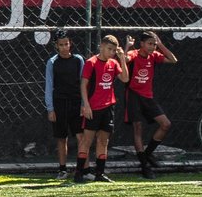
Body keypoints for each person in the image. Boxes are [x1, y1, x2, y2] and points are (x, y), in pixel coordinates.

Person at [124, 30, 178, 179]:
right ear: (141, 44)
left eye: (154, 44)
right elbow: (124, 59)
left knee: (165, 124)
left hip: (148, 97)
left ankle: (146, 155)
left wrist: (160, 44)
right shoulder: (135, 54)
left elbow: (173, 60)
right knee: (138, 128)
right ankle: (144, 166)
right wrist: (128, 47)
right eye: (149, 44)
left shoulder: (154, 56)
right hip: (134, 95)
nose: (152, 47)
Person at [76, 34, 128, 183]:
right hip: (93, 107)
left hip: (108, 107)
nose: (112, 52)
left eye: (114, 50)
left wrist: (122, 58)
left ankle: (100, 173)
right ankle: (79, 173)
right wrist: (86, 105)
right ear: (101, 46)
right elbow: (83, 85)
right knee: (87, 140)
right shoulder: (91, 62)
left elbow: (125, 78)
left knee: (103, 141)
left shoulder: (113, 63)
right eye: (109, 49)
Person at [44, 30, 85, 180]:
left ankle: (83, 170)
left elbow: (83, 83)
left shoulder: (78, 60)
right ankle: (62, 169)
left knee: (81, 137)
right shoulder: (52, 62)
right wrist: (50, 108)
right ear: (56, 46)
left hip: (76, 104)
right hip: (59, 104)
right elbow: (49, 86)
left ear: (70, 44)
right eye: (61, 45)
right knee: (62, 138)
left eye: (66, 44)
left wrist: (83, 104)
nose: (64, 47)